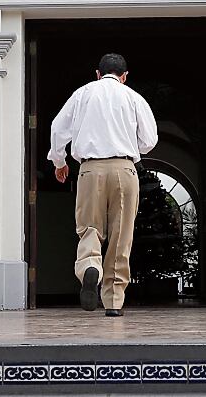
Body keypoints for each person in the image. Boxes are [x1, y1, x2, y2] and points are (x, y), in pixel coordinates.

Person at [47, 52, 158, 316]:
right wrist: (131, 147)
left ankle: (89, 268)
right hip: (124, 169)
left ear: (98, 74)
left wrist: (59, 162)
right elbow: (150, 139)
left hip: (90, 169)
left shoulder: (83, 93)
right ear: (124, 77)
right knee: (121, 235)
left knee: (89, 228)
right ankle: (114, 301)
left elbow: (57, 128)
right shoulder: (133, 97)